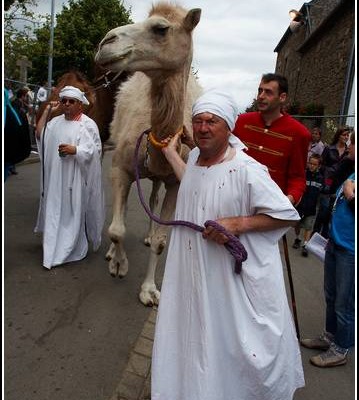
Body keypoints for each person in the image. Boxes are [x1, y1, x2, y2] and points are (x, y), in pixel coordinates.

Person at [151, 89, 305, 400]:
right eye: (198, 121)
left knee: (227, 341)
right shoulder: (194, 158)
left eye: (212, 121)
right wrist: (170, 154)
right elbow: (195, 182)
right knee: (193, 333)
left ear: (229, 128)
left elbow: (288, 215)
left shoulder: (247, 170)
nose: (203, 128)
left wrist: (237, 224)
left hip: (227, 280)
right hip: (194, 270)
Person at [34, 85, 105, 269]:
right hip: (56, 180)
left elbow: (95, 152)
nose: (66, 104)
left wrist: (76, 150)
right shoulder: (56, 122)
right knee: (54, 212)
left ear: (79, 105)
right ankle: (51, 251)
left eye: (71, 101)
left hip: (76, 181)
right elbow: (39, 133)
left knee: (72, 214)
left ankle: (70, 248)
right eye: (64, 101)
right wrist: (49, 109)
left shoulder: (88, 124)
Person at [301, 171, 355, 367]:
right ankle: (330, 337)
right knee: (331, 296)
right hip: (337, 244)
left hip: (351, 250)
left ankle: (341, 349)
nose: (349, 145)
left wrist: (350, 194)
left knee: (345, 304)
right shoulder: (353, 171)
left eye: (352, 142)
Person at [233, 73, 311, 205]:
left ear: (282, 97)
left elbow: (297, 178)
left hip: (269, 206)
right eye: (260, 91)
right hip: (233, 198)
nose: (261, 96)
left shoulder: (299, 133)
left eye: (268, 92)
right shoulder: (241, 121)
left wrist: (289, 200)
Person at [312, 126, 350, 238]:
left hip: (340, 186)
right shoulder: (329, 149)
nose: (346, 137)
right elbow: (321, 164)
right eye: (344, 134)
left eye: (347, 135)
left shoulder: (349, 152)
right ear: (338, 135)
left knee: (331, 214)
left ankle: (323, 239)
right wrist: (329, 171)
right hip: (327, 184)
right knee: (323, 211)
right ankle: (313, 236)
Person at [292, 154, 324, 256]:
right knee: (297, 224)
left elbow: (322, 191)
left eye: (314, 164)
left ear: (319, 166)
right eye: (310, 163)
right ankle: (298, 239)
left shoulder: (320, 178)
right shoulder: (304, 175)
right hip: (300, 205)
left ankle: (305, 245)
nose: (312, 166)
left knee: (308, 227)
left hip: (311, 207)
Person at [4, 88, 31, 180]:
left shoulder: (18, 105)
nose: (28, 98)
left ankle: (11, 166)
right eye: (26, 96)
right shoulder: (15, 106)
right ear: (22, 96)